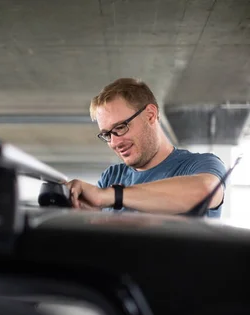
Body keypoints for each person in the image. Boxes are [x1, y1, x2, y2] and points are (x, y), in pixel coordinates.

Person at [66, 78, 226, 218]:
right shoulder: (112, 176)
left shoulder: (199, 165)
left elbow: (206, 191)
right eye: (107, 134)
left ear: (150, 115)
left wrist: (111, 196)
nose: (115, 142)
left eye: (120, 127)